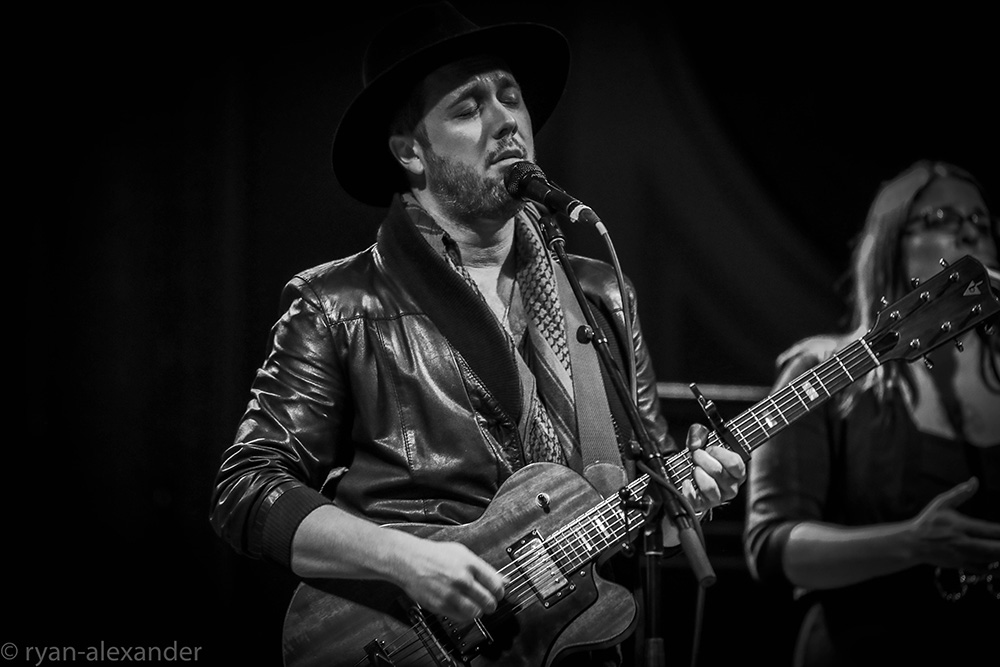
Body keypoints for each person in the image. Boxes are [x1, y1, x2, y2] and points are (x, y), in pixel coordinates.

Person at [209, 3, 746, 666]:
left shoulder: (600, 294)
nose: (505, 121)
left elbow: (643, 491)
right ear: (411, 151)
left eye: (511, 96)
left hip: (568, 645)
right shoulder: (338, 303)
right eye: (468, 108)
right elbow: (247, 489)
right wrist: (408, 560)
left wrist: (690, 491)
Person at [743, 159, 1000, 667]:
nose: (969, 230)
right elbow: (771, 547)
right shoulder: (821, 368)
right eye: (942, 218)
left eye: (982, 222)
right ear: (891, 246)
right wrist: (911, 544)